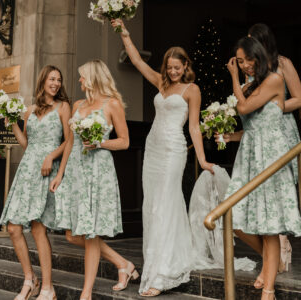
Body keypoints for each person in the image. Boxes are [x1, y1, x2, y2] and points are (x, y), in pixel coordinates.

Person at [111, 19, 214, 297]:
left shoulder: (192, 90)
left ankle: (164, 272)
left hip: (173, 151)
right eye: (169, 67)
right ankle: (155, 264)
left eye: (177, 67)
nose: (172, 71)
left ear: (186, 66)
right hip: (153, 148)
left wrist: (202, 160)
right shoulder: (161, 83)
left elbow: (194, 126)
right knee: (152, 206)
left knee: (165, 205)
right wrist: (124, 33)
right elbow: (136, 60)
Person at [220, 36, 301, 300]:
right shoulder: (253, 84)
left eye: (246, 60)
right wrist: (230, 136)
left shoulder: (274, 80)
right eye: (239, 62)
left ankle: (268, 290)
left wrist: (233, 76)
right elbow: (254, 123)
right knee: (232, 216)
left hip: (270, 155)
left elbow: (243, 106)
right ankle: (272, 263)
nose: (243, 65)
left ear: (259, 57)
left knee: (269, 226)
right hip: (249, 155)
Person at [50, 60, 133, 300]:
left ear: (94, 77)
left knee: (90, 234)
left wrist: (100, 143)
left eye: (82, 76)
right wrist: (60, 174)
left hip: (98, 171)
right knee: (71, 234)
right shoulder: (77, 104)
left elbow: (125, 141)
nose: (79, 80)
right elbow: (71, 143)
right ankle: (123, 263)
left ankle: (86, 293)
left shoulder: (112, 104)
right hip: (76, 170)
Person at [0, 65, 71, 300]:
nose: (56, 83)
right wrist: (11, 121)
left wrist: (51, 157)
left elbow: (70, 141)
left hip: (46, 170)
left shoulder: (63, 107)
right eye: (52, 79)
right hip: (27, 170)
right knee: (13, 227)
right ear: (43, 81)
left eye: (59, 80)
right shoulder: (29, 110)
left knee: (39, 228)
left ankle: (48, 288)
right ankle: (30, 279)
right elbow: (27, 144)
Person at [248, 23, 301, 275]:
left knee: (279, 184)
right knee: (262, 186)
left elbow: (300, 98)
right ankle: (273, 252)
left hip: (281, 127)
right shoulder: (251, 67)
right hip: (259, 130)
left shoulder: (283, 63)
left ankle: (282, 246)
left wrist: (273, 107)